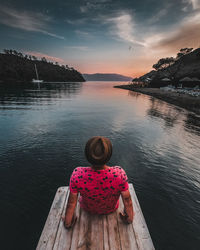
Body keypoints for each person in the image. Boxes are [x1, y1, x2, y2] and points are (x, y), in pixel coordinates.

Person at [63, 136, 134, 229]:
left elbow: (71, 203)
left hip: (87, 208)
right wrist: (129, 219)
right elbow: (127, 201)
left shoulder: (77, 174)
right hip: (111, 209)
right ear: (109, 155)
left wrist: (68, 222)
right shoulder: (119, 174)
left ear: (87, 155)